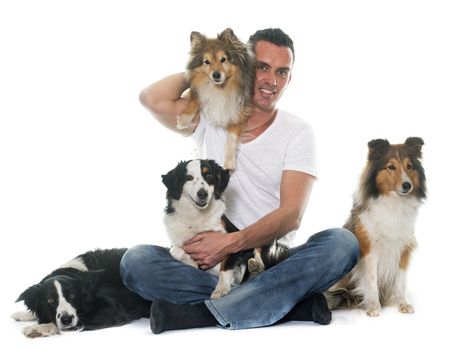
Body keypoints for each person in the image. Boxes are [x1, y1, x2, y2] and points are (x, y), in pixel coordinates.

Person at [120, 28, 359, 333]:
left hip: (269, 262)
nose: (272, 81)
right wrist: (203, 62)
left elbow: (292, 216)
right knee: (136, 262)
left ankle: (201, 314)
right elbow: (151, 99)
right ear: (243, 64)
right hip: (208, 265)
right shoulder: (208, 115)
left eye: (282, 72)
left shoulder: (298, 132)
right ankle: (283, 304)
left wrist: (230, 243)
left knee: (342, 244)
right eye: (262, 67)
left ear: (289, 78)